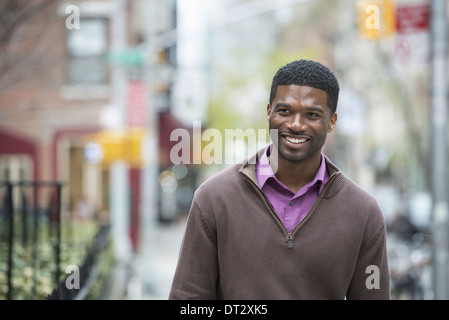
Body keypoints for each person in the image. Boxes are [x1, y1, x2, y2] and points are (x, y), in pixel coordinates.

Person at [169, 59, 390, 300]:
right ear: (268, 112)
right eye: (285, 111)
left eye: (312, 114)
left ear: (332, 122)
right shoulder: (214, 198)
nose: (295, 124)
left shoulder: (363, 213)